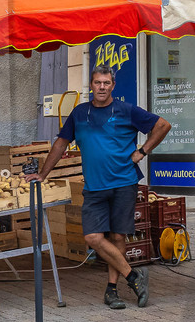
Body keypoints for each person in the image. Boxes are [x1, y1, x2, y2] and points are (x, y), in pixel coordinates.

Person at [29, 66, 170, 309]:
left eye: (106, 83)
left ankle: (112, 290)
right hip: (94, 187)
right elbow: (61, 144)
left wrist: (142, 151)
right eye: (97, 83)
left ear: (113, 86)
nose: (102, 87)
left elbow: (163, 125)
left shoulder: (126, 110)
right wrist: (43, 174)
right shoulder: (79, 113)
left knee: (117, 236)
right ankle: (134, 277)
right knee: (93, 237)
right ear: (91, 86)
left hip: (124, 182)